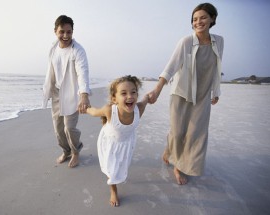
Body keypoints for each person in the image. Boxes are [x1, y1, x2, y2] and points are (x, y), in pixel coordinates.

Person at [147, 3, 224, 185]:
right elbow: (171, 67)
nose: (198, 22)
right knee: (178, 131)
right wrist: (157, 90)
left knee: (195, 133)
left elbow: (217, 67)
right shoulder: (186, 42)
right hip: (181, 94)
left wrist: (216, 90)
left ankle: (179, 165)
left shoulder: (219, 41)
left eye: (203, 17)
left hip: (203, 95)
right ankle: (172, 155)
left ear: (212, 19)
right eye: (195, 19)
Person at [85, 75, 148, 207]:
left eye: (133, 92)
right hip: (110, 143)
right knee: (111, 169)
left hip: (126, 143)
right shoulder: (109, 110)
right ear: (115, 99)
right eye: (124, 93)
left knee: (122, 164)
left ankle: (115, 179)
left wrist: (149, 97)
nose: (130, 96)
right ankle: (113, 190)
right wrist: (85, 108)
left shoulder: (139, 109)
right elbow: (95, 112)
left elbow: (146, 100)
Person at [42, 15, 91, 168]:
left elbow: (83, 72)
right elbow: (51, 70)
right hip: (56, 93)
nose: (65, 35)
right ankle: (66, 150)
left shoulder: (78, 51)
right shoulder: (53, 48)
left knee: (69, 128)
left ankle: (76, 151)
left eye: (69, 32)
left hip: (72, 93)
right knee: (58, 129)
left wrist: (84, 95)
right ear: (55, 31)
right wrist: (48, 91)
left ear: (72, 32)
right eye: (62, 32)